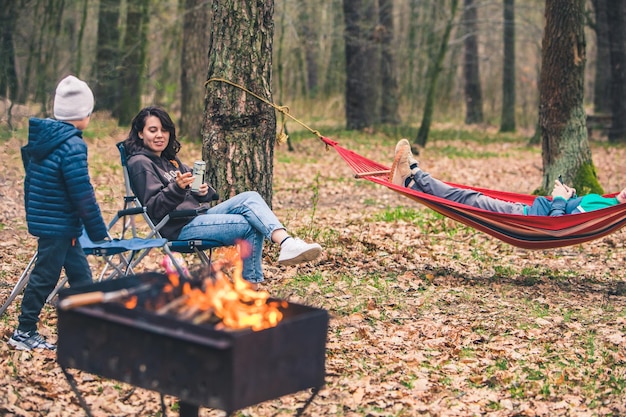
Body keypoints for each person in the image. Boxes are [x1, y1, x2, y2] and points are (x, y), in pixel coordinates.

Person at [122, 106, 322, 285]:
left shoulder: (170, 160)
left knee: (250, 197)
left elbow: (198, 193)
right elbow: (154, 208)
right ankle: (250, 285)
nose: (160, 135)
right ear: (140, 133)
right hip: (177, 227)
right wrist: (177, 188)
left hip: (196, 216)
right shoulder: (140, 163)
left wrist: (202, 191)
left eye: (164, 130)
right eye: (153, 130)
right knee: (250, 224)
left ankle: (287, 243)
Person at [9, 75, 109, 351]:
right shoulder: (73, 145)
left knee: (81, 277)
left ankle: (88, 330)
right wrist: (99, 231)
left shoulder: (46, 140)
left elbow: (34, 182)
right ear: (83, 114)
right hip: (58, 228)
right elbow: (82, 192)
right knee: (44, 277)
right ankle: (24, 331)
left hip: (61, 225)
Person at [390, 139, 626, 216]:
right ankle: (411, 181)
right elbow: (571, 214)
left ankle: (416, 174)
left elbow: (558, 226)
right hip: (524, 210)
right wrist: (571, 196)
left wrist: (560, 199)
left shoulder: (607, 213)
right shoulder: (609, 203)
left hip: (522, 217)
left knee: (464, 197)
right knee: (464, 197)